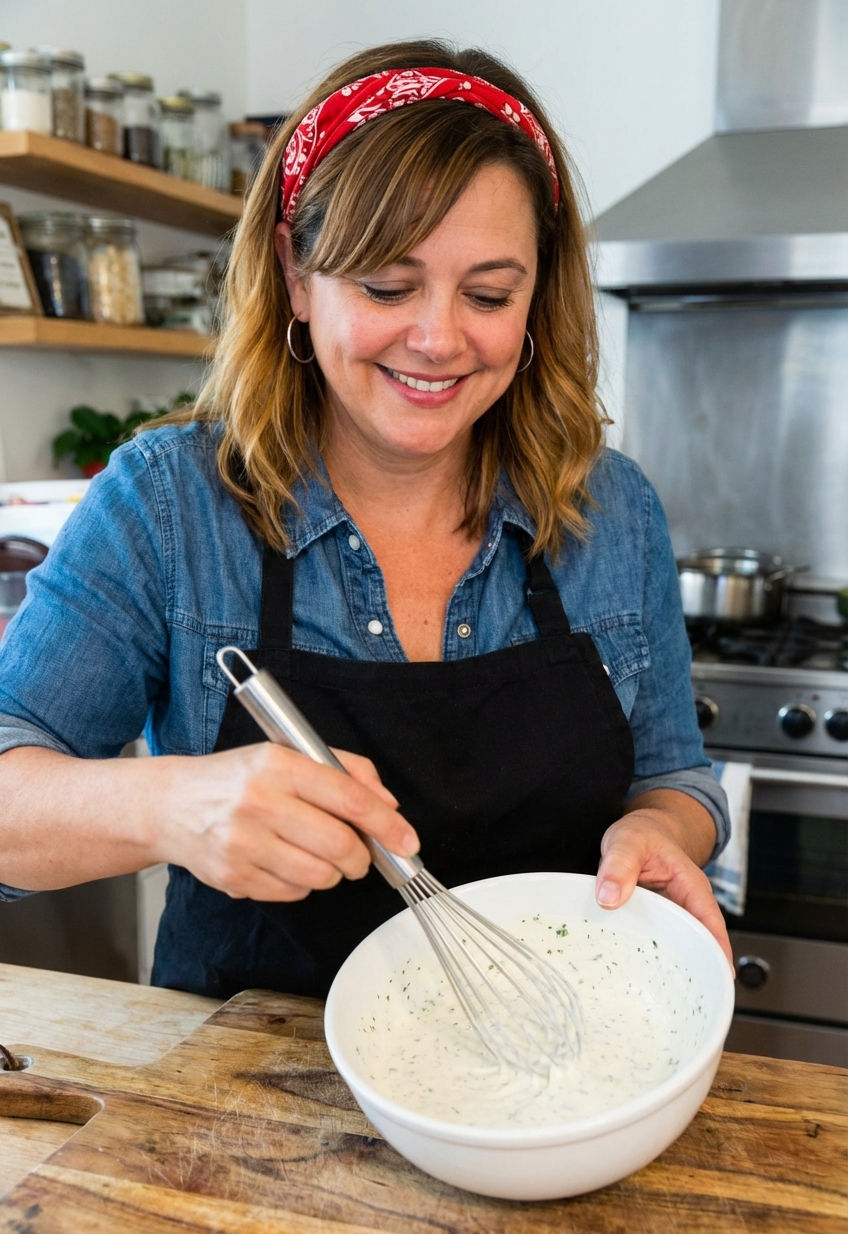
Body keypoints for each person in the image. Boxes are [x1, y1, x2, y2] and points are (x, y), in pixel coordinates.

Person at [0, 40, 732, 999]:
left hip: (559, 1069)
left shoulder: (612, 507)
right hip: (236, 1098)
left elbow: (679, 775)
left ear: (537, 300)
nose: (438, 339)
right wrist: (166, 805)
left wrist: (664, 832)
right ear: (299, 276)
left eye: (490, 294)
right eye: (387, 287)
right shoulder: (168, 504)